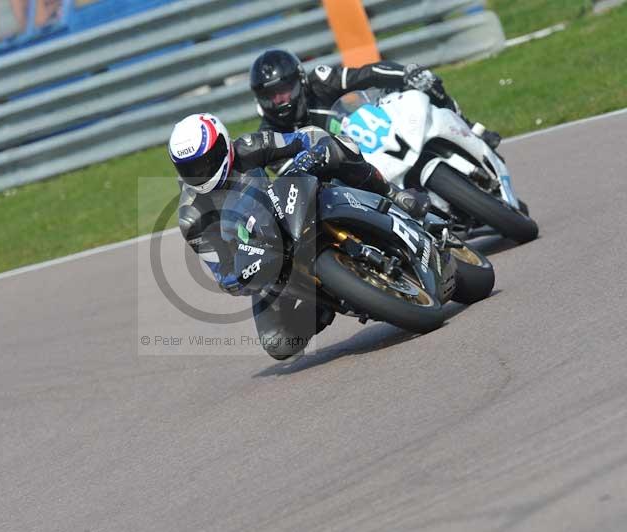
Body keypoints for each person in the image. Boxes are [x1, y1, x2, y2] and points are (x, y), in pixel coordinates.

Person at [168, 113, 431, 359]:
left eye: (206, 161)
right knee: (278, 343)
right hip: (262, 252)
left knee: (339, 149)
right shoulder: (191, 217)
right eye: (189, 168)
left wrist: (310, 154)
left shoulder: (249, 146)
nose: (200, 173)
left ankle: (394, 195)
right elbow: (223, 273)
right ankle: (324, 302)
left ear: (224, 145)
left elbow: (307, 137)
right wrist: (242, 274)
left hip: (289, 206)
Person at [250, 49, 502, 150]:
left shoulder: (321, 82)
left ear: (299, 81)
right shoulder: (270, 134)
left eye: (283, 89)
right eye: (270, 96)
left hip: (379, 127)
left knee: (426, 85)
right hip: (351, 171)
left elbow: (368, 74)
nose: (280, 99)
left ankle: (470, 130)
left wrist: (406, 73)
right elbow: (288, 178)